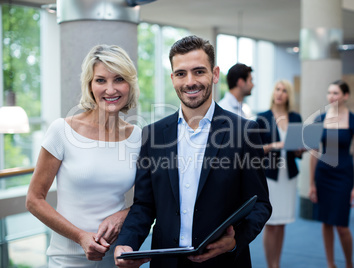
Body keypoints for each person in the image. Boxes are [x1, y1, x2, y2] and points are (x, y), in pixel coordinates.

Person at [114, 35, 272, 268]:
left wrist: (235, 240)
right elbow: (144, 205)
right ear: (173, 78)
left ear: (215, 74)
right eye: (181, 73)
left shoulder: (245, 131)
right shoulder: (153, 135)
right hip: (167, 262)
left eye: (199, 72)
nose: (190, 82)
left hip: (224, 262)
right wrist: (127, 244)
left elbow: (260, 204)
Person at [26, 44, 142, 267]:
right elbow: (33, 200)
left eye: (119, 79)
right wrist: (80, 236)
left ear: (130, 85)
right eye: (100, 80)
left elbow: (149, 199)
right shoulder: (62, 130)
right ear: (89, 85)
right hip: (67, 259)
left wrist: (123, 215)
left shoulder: (136, 136)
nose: (110, 89)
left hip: (117, 257)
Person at [309, 80, 354, 268]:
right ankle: (330, 264)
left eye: (336, 93)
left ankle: (349, 264)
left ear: (345, 96)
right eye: (329, 93)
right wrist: (311, 184)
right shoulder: (320, 119)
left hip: (344, 177)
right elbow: (314, 154)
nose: (331, 97)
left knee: (342, 226)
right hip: (324, 175)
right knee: (326, 222)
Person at [255, 80, 303, 268]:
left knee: (282, 223)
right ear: (273, 93)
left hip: (288, 176)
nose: (280, 93)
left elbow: (296, 151)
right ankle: (270, 265)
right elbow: (255, 149)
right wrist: (275, 145)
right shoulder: (262, 118)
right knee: (271, 222)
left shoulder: (295, 117)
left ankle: (277, 263)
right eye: (277, 89)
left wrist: (301, 149)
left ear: (288, 95)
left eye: (284, 90)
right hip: (270, 176)